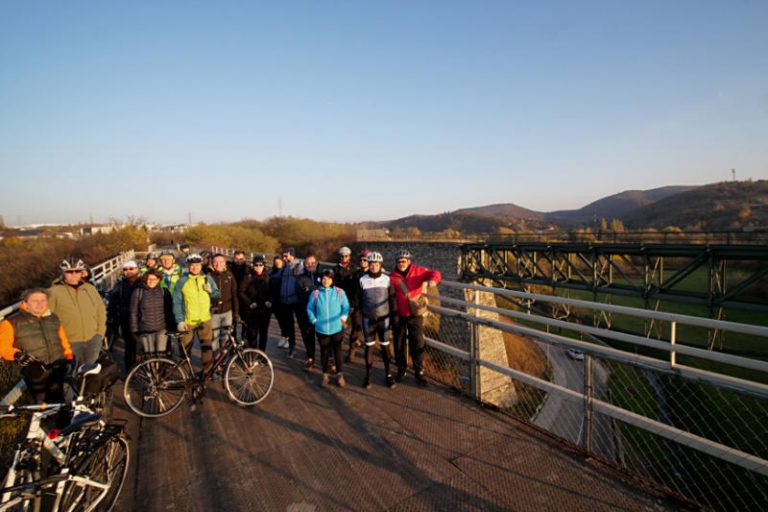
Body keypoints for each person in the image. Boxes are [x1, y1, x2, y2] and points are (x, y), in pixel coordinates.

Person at [0, 288, 75, 402]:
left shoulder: (53, 318)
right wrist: (17, 355)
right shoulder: (11, 322)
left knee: (60, 401)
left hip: (58, 366)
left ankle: (61, 418)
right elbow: (2, 346)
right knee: (43, 405)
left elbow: (62, 340)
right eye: (35, 301)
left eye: (43, 300)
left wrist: (69, 357)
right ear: (25, 303)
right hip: (36, 371)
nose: (40, 304)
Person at [389, 249, 441, 386]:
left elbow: (435, 273)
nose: (401, 263)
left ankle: (419, 371)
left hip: (415, 314)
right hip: (399, 315)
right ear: (396, 262)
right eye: (399, 261)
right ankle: (401, 368)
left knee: (417, 342)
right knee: (399, 343)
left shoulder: (418, 271)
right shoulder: (393, 277)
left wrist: (433, 281)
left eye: (403, 261)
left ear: (409, 261)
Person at [49, 257, 107, 366]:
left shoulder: (90, 288)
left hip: (93, 339)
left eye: (77, 271)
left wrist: (100, 333)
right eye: (70, 272)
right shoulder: (53, 292)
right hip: (69, 342)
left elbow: (101, 310)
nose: (74, 274)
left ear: (82, 273)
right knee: (73, 375)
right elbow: (48, 318)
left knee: (91, 374)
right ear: (63, 272)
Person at [172, 254, 220, 374]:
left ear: (201, 265)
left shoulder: (208, 278)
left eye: (197, 265)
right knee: (185, 351)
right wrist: (180, 320)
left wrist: (211, 291)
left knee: (207, 349)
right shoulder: (182, 281)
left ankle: (207, 373)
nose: (195, 267)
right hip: (188, 322)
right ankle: (187, 375)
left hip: (205, 320)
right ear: (188, 266)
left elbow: (216, 294)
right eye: (192, 265)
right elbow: (177, 302)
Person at [358, 252, 397, 389]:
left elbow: (392, 299)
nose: (374, 266)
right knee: (369, 347)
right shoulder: (362, 280)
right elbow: (358, 300)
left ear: (380, 265)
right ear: (368, 265)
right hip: (368, 318)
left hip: (384, 318)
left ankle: (389, 375)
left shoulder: (387, 279)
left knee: (385, 347)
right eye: (371, 264)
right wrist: (358, 315)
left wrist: (394, 317)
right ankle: (368, 376)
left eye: (376, 264)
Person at [306, 269, 350, 387]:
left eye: (329, 278)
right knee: (324, 353)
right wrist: (314, 320)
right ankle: (325, 375)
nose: (326, 281)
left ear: (332, 280)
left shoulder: (339, 292)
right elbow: (309, 308)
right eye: (324, 278)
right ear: (321, 279)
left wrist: (343, 318)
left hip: (337, 328)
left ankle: (340, 375)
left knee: (338, 352)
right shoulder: (315, 293)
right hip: (321, 329)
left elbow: (346, 306)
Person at [129, 269, 174, 355]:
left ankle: (161, 369)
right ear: (145, 279)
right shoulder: (138, 292)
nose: (152, 281)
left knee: (161, 355)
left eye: (155, 279)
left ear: (159, 280)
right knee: (149, 356)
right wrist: (134, 330)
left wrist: (172, 327)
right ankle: (151, 368)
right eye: (150, 279)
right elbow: (133, 313)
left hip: (162, 329)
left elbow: (169, 311)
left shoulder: (164, 292)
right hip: (145, 329)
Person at [107, 260, 143, 369]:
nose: (128, 271)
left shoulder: (143, 283)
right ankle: (130, 371)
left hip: (142, 318)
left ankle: (146, 371)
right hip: (125, 319)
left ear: (137, 269)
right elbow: (113, 303)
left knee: (144, 347)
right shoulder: (119, 285)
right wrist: (112, 318)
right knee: (129, 346)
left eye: (131, 269)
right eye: (125, 269)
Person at [239, 255, 275, 351]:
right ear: (253, 265)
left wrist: (270, 301)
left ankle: (262, 355)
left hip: (265, 310)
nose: (258, 267)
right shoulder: (248, 277)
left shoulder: (268, 277)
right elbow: (241, 291)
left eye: (260, 265)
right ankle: (253, 352)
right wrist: (249, 303)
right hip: (252, 310)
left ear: (264, 266)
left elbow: (273, 292)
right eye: (256, 265)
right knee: (252, 333)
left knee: (263, 333)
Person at [275, 247, 306, 358]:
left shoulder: (299, 266)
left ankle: (308, 349)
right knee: (289, 326)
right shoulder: (284, 267)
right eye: (283, 255)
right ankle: (292, 347)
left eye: (285, 255)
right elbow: (275, 278)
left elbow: (304, 281)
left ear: (291, 255)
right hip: (285, 301)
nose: (283, 257)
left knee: (302, 326)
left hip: (296, 301)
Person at [208, 254, 239, 352]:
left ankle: (224, 361)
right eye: (215, 262)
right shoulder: (208, 277)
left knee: (225, 338)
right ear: (212, 263)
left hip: (227, 312)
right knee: (214, 339)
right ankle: (216, 362)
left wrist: (236, 313)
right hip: (214, 313)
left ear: (225, 263)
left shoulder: (230, 275)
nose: (218, 264)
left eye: (221, 262)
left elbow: (235, 295)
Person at [296, 254, 322, 370]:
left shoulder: (322, 276)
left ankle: (328, 358)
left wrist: (310, 289)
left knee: (323, 336)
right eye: (307, 263)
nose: (310, 265)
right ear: (304, 264)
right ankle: (310, 357)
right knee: (308, 335)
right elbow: (300, 294)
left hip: (321, 312)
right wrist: (315, 289)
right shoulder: (300, 278)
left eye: (312, 263)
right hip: (306, 311)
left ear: (316, 263)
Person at [346, 249, 370, 362]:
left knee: (369, 331)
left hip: (370, 307)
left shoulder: (373, 274)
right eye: (361, 259)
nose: (362, 261)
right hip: (357, 307)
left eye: (365, 260)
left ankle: (368, 354)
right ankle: (351, 353)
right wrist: (351, 304)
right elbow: (351, 290)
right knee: (355, 329)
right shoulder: (356, 274)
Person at [270, 255, 289, 346]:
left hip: (283, 299)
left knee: (286, 319)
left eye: (279, 262)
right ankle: (283, 336)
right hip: (275, 300)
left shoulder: (285, 271)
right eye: (276, 262)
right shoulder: (272, 272)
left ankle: (287, 338)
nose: (277, 264)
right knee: (280, 320)